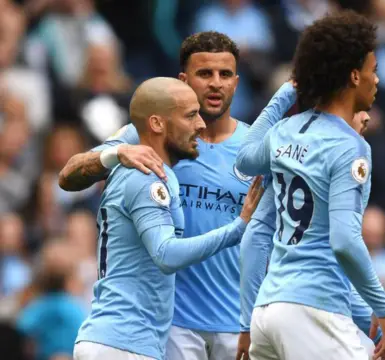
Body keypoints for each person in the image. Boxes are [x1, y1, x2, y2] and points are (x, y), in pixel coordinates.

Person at [58, 31, 379, 360]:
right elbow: (68, 176)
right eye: (204, 73)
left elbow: (298, 230)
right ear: (183, 80)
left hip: (235, 324)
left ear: (237, 82)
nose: (216, 84)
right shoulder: (148, 138)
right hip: (171, 327)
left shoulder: (258, 147)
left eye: (225, 74)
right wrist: (115, 153)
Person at [235, 10, 385, 360]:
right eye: (374, 70)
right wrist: (383, 309)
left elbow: (245, 158)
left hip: (268, 311)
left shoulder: (285, 131)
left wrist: (284, 93)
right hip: (313, 312)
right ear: (355, 76)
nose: (377, 80)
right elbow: (343, 242)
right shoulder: (350, 147)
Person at [73, 77, 264, 360]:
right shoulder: (147, 176)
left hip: (118, 340)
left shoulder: (146, 171)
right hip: (124, 343)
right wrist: (239, 227)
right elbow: (166, 254)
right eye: (190, 116)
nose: (201, 124)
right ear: (157, 124)